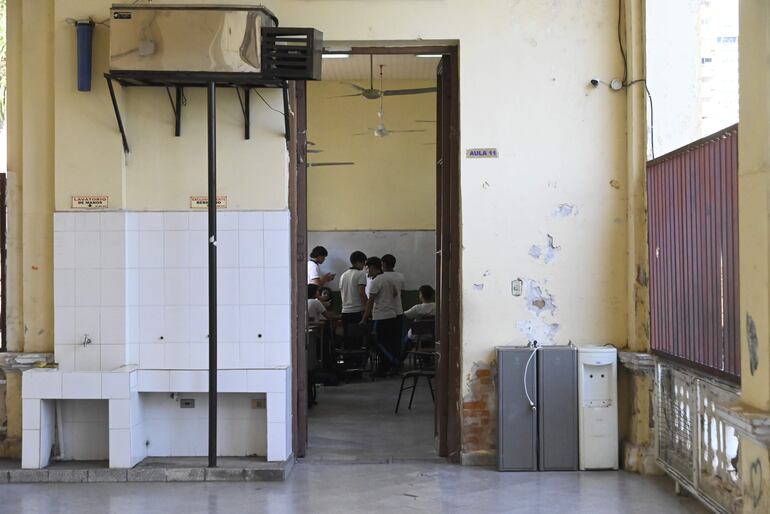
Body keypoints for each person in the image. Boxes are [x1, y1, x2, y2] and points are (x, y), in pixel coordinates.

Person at [360, 256, 401, 376]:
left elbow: (370, 302)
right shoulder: (389, 278)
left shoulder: (375, 281)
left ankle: (393, 361)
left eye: (367, 268)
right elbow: (395, 293)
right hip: (392, 315)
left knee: (375, 341)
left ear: (372, 267)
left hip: (380, 317)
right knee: (388, 342)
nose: (367, 271)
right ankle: (383, 368)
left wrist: (364, 318)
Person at [402, 285, 436, 356]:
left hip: (417, 337)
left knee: (405, 341)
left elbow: (405, 315)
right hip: (433, 336)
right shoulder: (437, 306)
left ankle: (399, 359)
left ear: (421, 295)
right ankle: (426, 359)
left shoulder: (417, 308)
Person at [338, 251, 368, 327]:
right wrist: (367, 309)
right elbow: (361, 292)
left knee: (347, 337)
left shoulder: (343, 275)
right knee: (358, 337)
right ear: (358, 262)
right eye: (363, 263)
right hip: (357, 312)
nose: (364, 266)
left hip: (344, 311)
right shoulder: (361, 274)